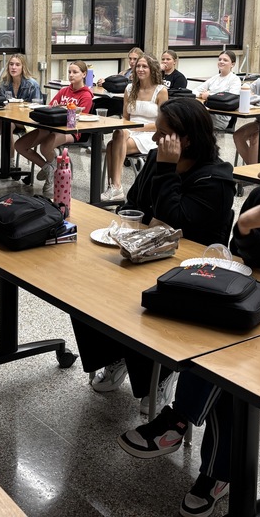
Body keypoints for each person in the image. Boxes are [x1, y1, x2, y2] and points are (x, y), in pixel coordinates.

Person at [117, 137, 260, 516]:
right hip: (253, 310)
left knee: (228, 363)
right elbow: (241, 257)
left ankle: (180, 422)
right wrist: (245, 228)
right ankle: (216, 472)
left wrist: (248, 228)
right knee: (224, 358)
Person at [76, 98, 235, 416]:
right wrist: (157, 215)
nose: (157, 138)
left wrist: (165, 170)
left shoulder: (214, 178)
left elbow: (177, 224)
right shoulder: (154, 157)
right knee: (84, 284)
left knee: (143, 299)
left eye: (164, 132)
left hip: (189, 270)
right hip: (146, 252)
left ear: (186, 139)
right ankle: (114, 354)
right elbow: (133, 206)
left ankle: (161, 375)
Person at [14, 60, 93, 198]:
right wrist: (55, 107)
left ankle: (54, 176)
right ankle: (50, 169)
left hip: (71, 131)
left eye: (75, 72)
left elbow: (78, 119)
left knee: (46, 146)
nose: (71, 75)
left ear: (84, 74)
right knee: (20, 145)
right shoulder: (64, 90)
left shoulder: (86, 95)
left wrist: (61, 108)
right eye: (69, 72)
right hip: (51, 127)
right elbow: (49, 108)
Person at [101, 53, 168, 201]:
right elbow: (125, 118)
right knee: (118, 134)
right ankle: (115, 187)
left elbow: (162, 124)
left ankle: (115, 187)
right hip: (129, 130)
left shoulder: (161, 91)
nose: (140, 69)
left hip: (150, 133)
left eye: (144, 66)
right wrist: (129, 127)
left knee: (112, 145)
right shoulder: (129, 89)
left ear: (152, 69)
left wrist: (136, 127)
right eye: (138, 66)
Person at [195, 51, 241, 131]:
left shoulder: (235, 80)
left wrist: (209, 95)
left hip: (220, 118)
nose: (221, 62)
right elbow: (194, 91)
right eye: (220, 59)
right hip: (207, 113)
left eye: (225, 60)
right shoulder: (214, 78)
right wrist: (200, 95)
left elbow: (232, 98)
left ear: (232, 64)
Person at [94, 46, 142, 117]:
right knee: (94, 103)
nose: (132, 61)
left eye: (135, 59)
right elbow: (115, 82)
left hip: (126, 102)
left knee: (99, 107)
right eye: (130, 59)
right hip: (115, 98)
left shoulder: (140, 74)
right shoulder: (124, 72)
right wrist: (105, 82)